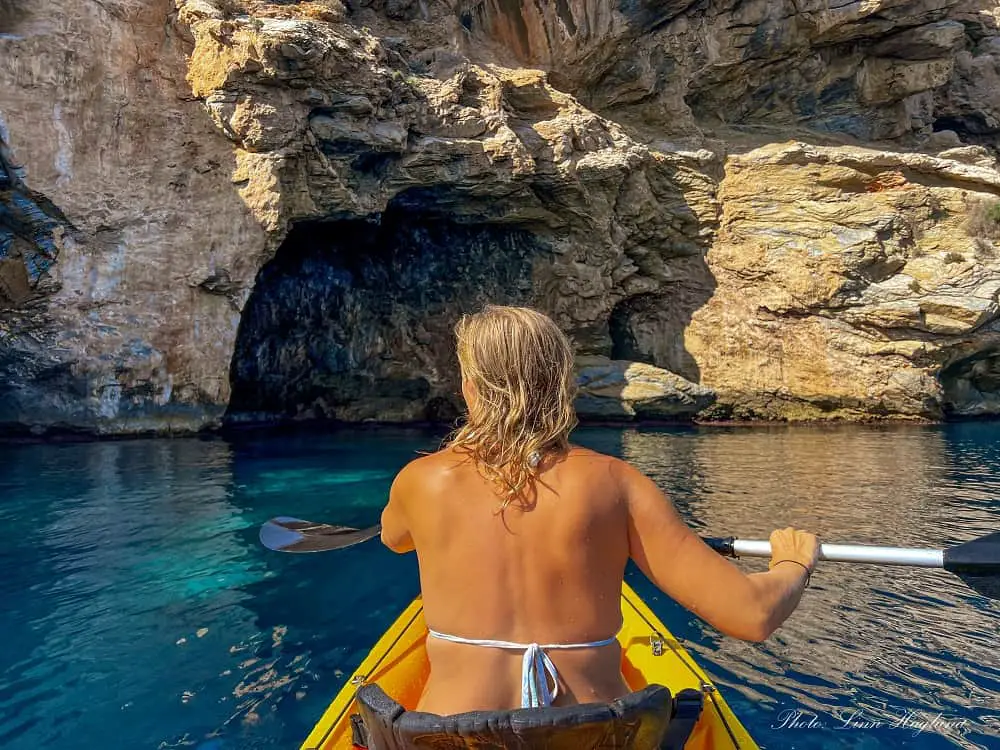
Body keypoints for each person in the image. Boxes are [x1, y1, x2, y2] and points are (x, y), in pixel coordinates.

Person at [380, 305, 819, 716]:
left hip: (451, 736)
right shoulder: (617, 484)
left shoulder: (422, 481)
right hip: (592, 733)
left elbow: (393, 539)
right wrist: (793, 562)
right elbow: (752, 615)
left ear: (470, 390)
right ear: (563, 385)